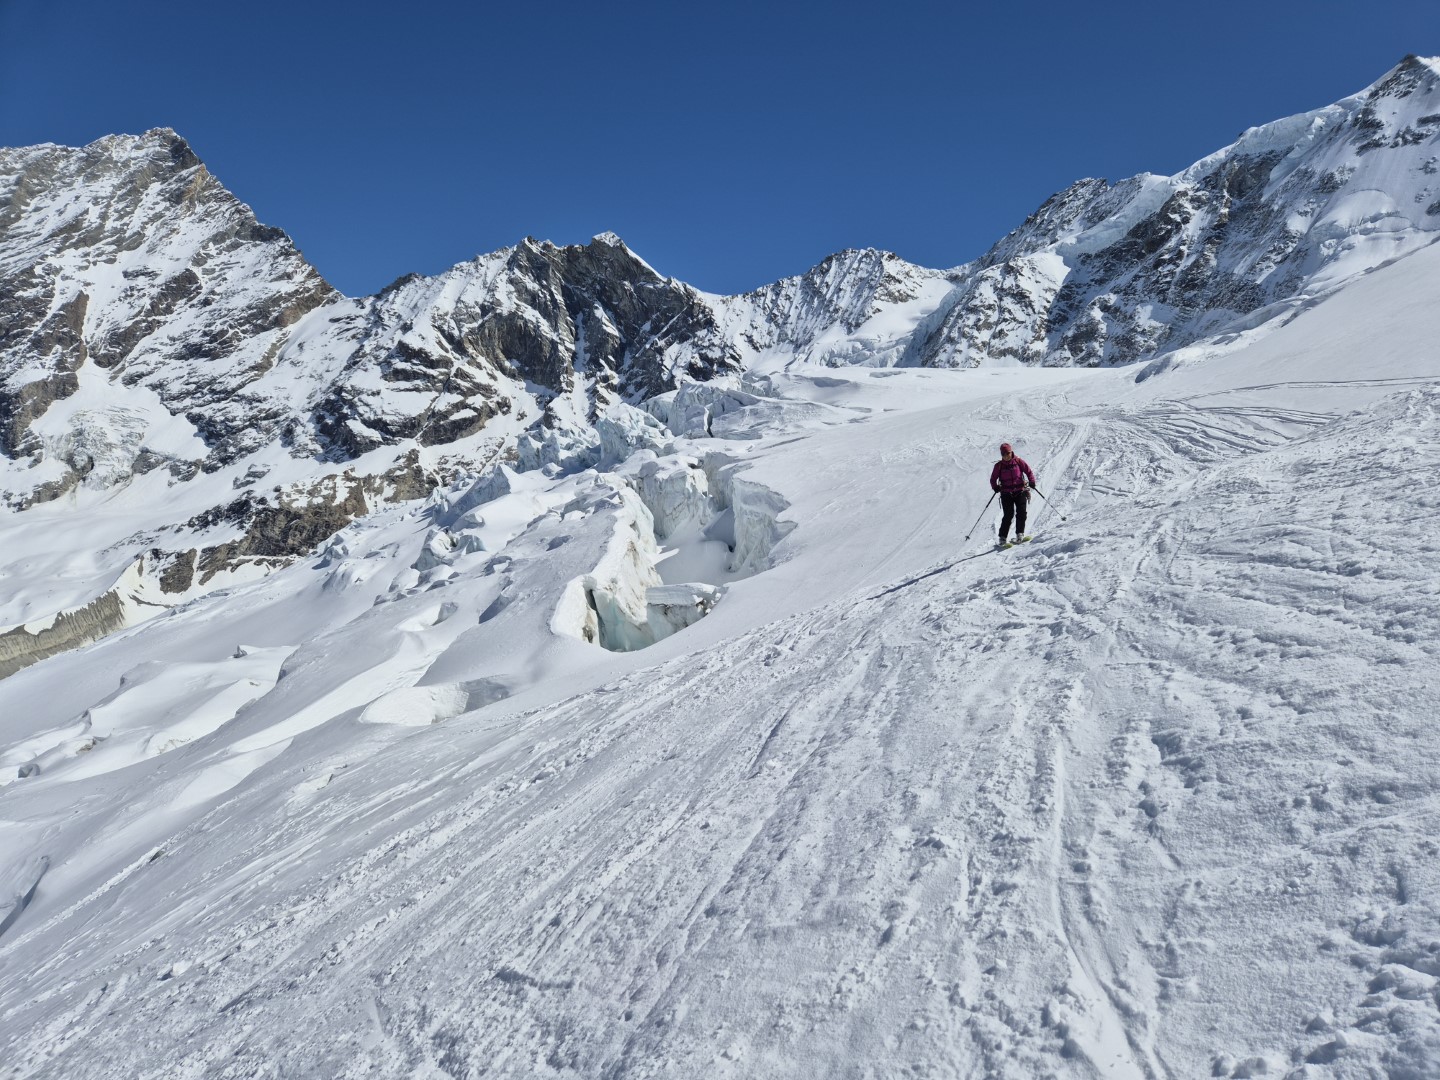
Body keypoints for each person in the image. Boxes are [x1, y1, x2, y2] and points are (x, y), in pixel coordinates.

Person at [989, 442, 1036, 545]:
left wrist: (1032, 481)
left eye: (1008, 453)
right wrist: (995, 487)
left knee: (1022, 512)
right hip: (1006, 493)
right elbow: (993, 479)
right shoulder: (999, 466)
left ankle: (1020, 534)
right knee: (1008, 515)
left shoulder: (1019, 462)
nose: (1006, 456)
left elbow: (1028, 471)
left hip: (1020, 491)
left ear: (1011, 452)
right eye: (1004, 454)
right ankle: (1002, 537)